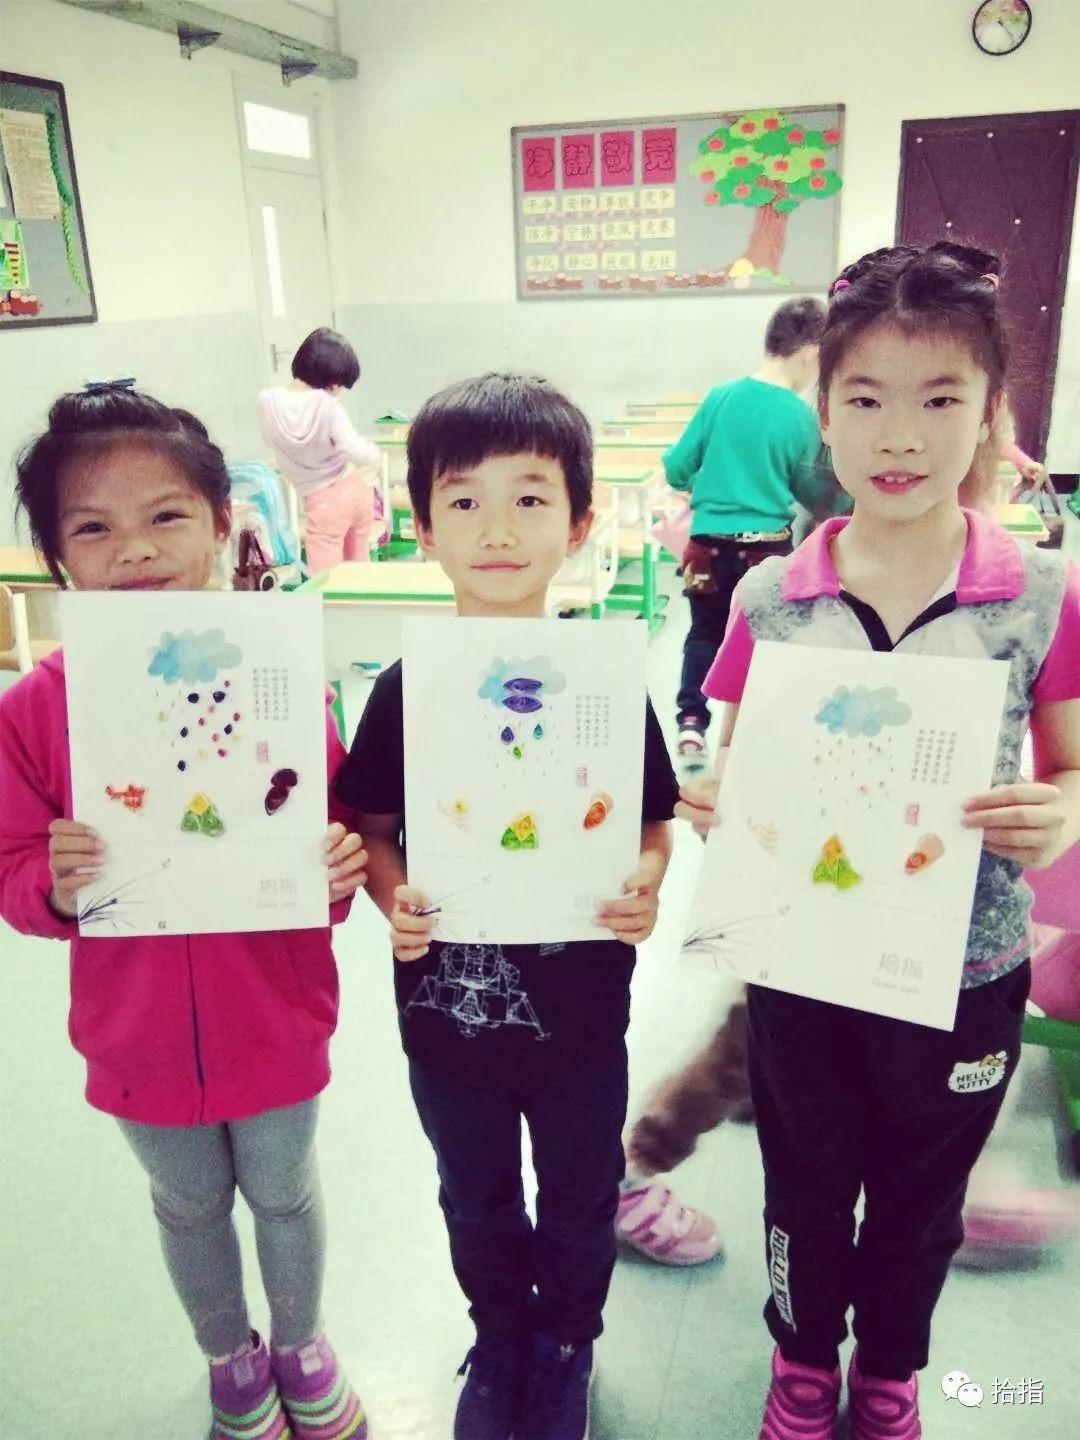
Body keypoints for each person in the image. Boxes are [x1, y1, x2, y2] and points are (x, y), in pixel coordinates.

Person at [677, 242, 1080, 1440]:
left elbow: (1073, 768)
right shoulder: (769, 601)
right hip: (803, 967)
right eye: (865, 400)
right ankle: (803, 1364)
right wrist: (719, 801)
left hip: (966, 974)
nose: (900, 436)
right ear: (824, 414)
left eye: (940, 400)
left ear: (993, 414)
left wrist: (1058, 813)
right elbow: (736, 763)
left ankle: (893, 1374)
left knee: (920, 1202)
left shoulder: (1041, 596)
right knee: (803, 1189)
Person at [0, 386, 370, 1440]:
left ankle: (301, 1343)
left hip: (276, 1014)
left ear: (220, 523)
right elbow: (11, 865)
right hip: (135, 1036)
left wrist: (337, 868)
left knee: (286, 1193)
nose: (134, 549)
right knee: (189, 1205)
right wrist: (53, 886)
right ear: (55, 556)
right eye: (92, 527)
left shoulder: (280, 679)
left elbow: (329, 825)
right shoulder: (33, 709)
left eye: (165, 515)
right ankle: (229, 1360)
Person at [334, 373, 677, 1440]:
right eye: (463, 499)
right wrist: (392, 897)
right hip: (447, 1014)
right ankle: (498, 1338)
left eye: (529, 498)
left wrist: (646, 884)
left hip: (583, 1014)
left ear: (578, 523)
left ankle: (567, 1342)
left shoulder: (606, 682)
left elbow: (652, 824)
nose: (496, 528)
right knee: (473, 1191)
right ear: (422, 524)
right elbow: (374, 830)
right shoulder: (402, 690)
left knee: (581, 1192)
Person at [664, 298, 826, 771]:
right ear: (811, 351)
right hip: (766, 551)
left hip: (705, 547)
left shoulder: (720, 397)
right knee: (766, 639)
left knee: (702, 632)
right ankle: (752, 733)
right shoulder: (800, 417)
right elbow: (815, 493)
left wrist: (703, 482)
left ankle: (691, 723)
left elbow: (676, 467)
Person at [258, 327, 382, 574]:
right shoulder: (328, 406)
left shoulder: (267, 401)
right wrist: (374, 454)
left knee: (324, 580)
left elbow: (269, 442)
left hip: (318, 501)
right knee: (359, 573)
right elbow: (352, 448)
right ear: (332, 380)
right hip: (352, 490)